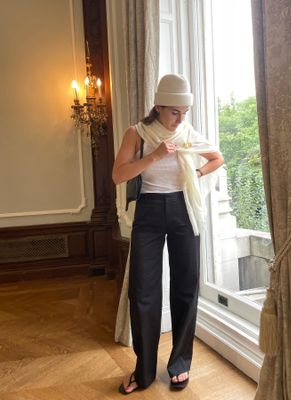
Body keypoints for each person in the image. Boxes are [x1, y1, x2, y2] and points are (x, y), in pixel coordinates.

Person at [112, 74, 224, 395]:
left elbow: (217, 157)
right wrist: (155, 156)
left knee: (186, 286)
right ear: (159, 106)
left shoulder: (188, 133)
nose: (180, 119)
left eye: (184, 113)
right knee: (143, 291)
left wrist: (197, 174)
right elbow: (119, 175)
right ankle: (143, 370)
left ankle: (180, 364)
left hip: (184, 209)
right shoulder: (138, 133)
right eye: (174, 112)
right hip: (149, 211)